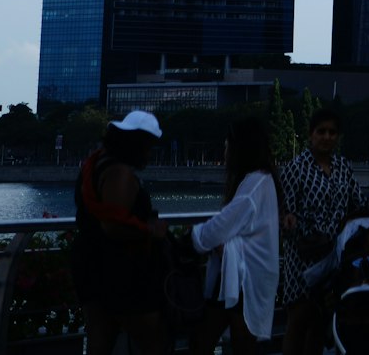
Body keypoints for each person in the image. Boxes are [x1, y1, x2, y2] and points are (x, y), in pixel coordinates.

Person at [70, 109, 168, 355]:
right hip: (120, 269)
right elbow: (113, 226)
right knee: (154, 341)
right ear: (138, 144)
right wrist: (151, 231)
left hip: (91, 263)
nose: (150, 152)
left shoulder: (95, 164)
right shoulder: (120, 173)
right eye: (148, 146)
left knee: (99, 341)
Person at [190, 116, 283, 353]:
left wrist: (193, 238)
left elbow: (221, 227)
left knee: (207, 340)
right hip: (247, 275)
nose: (225, 149)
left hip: (243, 277)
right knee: (234, 342)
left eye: (228, 144)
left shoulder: (253, 185)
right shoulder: (263, 179)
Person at [279, 106, 367, 355]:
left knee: (320, 322)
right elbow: (285, 211)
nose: (327, 137)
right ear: (310, 135)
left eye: (332, 132)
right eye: (321, 132)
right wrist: (290, 223)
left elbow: (357, 203)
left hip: (333, 257)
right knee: (297, 320)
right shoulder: (296, 168)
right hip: (303, 259)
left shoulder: (343, 167)